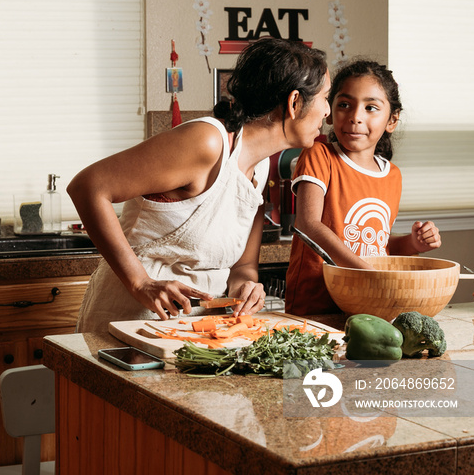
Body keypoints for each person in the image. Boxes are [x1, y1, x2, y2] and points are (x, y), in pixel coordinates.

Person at [67, 38, 331, 333]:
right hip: (130, 320)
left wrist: (247, 286)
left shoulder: (260, 166)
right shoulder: (207, 141)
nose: (327, 112)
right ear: (295, 102)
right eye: (325, 98)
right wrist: (139, 282)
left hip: (197, 330)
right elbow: (88, 187)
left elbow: (243, 267)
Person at [285, 59, 442, 318]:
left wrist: (412, 243)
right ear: (330, 110)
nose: (355, 117)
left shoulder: (392, 175)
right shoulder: (318, 155)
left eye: (370, 108)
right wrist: (367, 273)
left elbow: (376, 244)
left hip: (368, 306)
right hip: (316, 307)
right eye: (344, 105)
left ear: (392, 120)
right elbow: (308, 225)